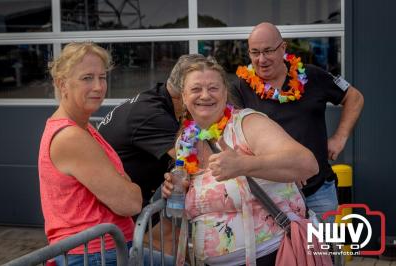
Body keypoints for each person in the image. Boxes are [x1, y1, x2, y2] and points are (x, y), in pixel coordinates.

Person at [162, 56, 320, 265]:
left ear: (225, 92)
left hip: (272, 255)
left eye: (213, 88)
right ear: (183, 96)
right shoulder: (186, 140)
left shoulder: (246, 123)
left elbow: (307, 165)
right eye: (196, 89)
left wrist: (243, 165)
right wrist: (177, 187)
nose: (205, 95)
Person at [232, 22, 364, 221]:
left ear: (283, 48)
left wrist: (340, 137)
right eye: (255, 52)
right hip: (271, 196)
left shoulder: (312, 76)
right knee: (280, 253)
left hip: (318, 192)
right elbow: (238, 139)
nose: (262, 59)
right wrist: (290, 167)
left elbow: (354, 97)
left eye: (268, 51)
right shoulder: (241, 88)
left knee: (321, 251)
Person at [38, 42, 142, 266]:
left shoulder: (84, 127)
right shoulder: (71, 137)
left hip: (106, 250)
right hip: (95, 255)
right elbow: (130, 203)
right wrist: (125, 183)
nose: (98, 86)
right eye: (87, 78)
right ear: (61, 83)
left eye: (102, 77)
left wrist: (124, 185)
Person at [98, 54, 206, 262]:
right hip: (118, 208)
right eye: (196, 93)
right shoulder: (153, 115)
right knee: (167, 240)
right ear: (181, 94)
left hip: (134, 197)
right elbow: (195, 160)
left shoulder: (158, 97)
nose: (202, 101)